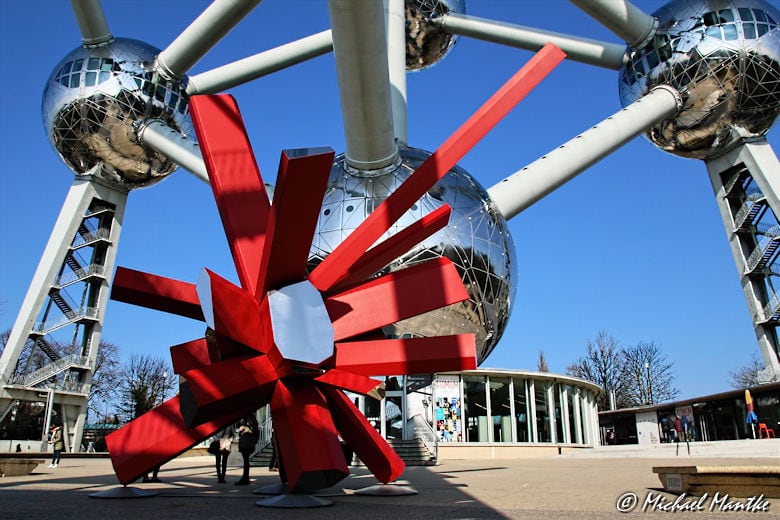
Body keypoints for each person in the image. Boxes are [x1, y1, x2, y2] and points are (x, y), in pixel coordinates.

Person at [235, 417, 256, 486]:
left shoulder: (250, 420)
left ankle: (245, 477)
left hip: (247, 442)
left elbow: (255, 431)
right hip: (245, 442)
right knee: (246, 460)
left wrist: (246, 429)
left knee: (246, 460)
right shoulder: (243, 420)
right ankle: (245, 477)